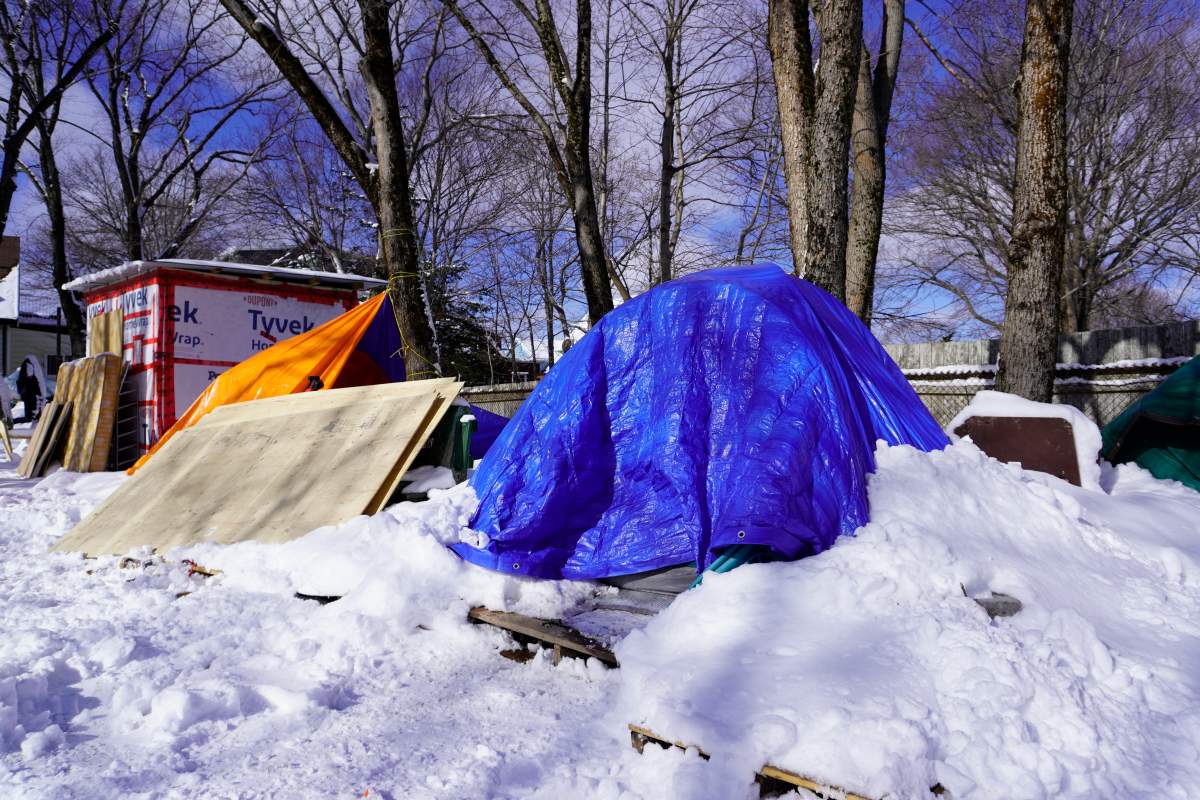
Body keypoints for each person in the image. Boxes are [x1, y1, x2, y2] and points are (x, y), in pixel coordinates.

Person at [16, 357, 41, 423]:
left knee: (31, 416)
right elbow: (21, 387)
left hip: (31, 397)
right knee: (28, 417)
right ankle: (13, 422)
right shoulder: (24, 377)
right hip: (28, 397)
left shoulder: (31, 377)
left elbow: (36, 386)